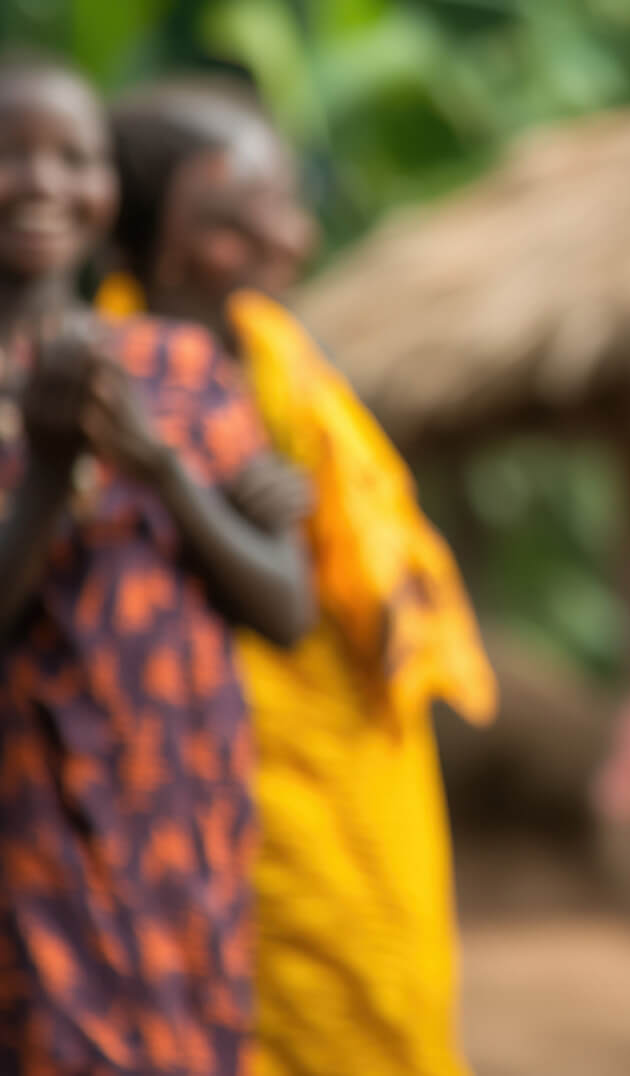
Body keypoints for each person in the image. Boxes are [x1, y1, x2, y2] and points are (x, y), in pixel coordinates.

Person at [98, 77, 496, 1076]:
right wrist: (201, 494)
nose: (293, 237)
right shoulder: (109, 382)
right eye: (251, 213)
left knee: (384, 1001)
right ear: (171, 232)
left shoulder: (275, 360)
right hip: (232, 781)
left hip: (358, 762)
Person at [0, 55, 311, 1075]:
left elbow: (288, 606)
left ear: (109, 190)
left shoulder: (181, 368)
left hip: (183, 813)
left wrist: (165, 468)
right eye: (12, 157)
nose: (43, 183)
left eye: (73, 158)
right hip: (30, 820)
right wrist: (48, 471)